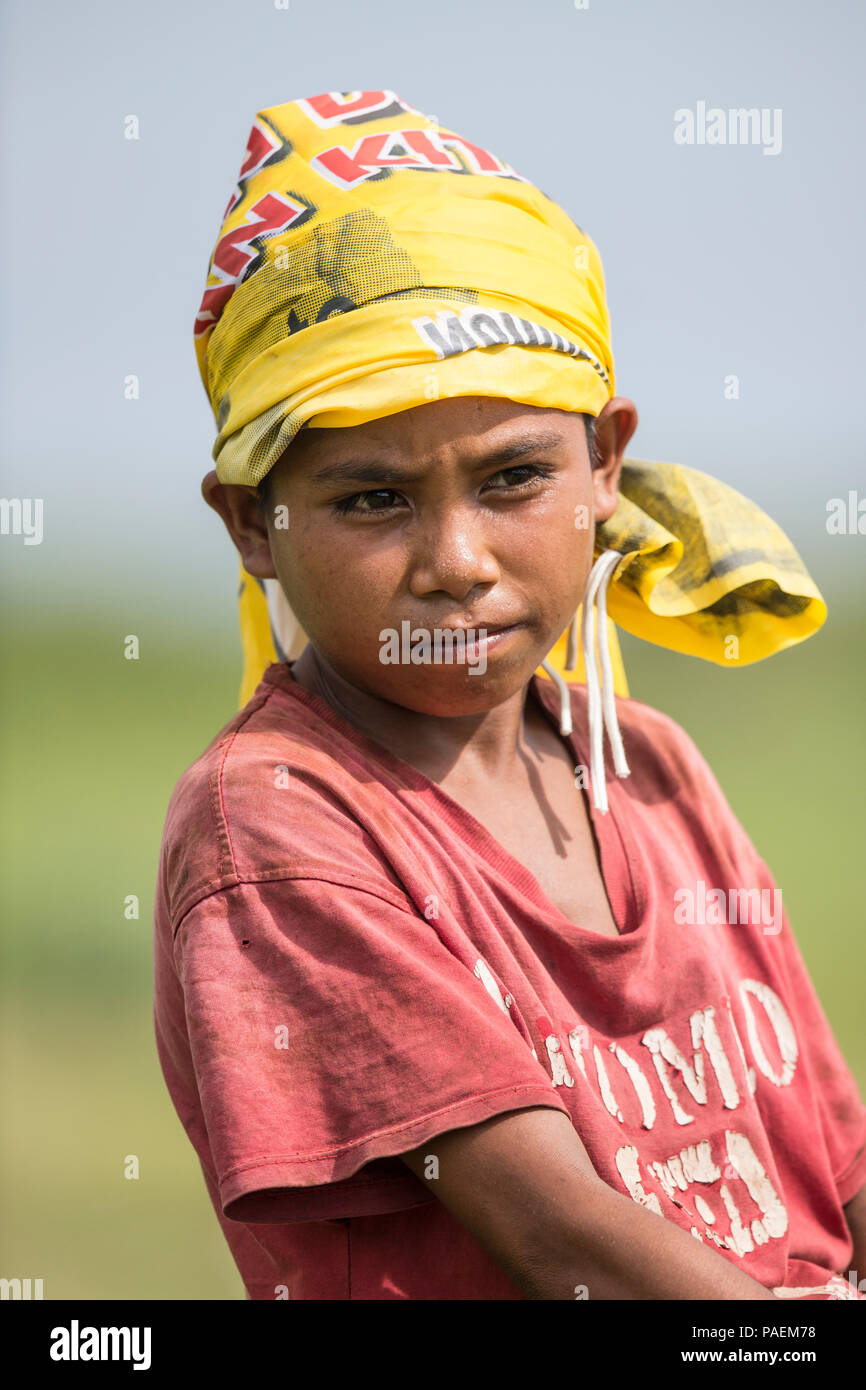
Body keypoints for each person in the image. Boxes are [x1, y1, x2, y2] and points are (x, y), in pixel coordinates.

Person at [153, 89, 866, 1300]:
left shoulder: (651, 767)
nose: (456, 562)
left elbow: (833, 1172)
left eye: (513, 478)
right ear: (252, 525)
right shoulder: (278, 829)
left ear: (603, 466)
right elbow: (560, 1243)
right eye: (371, 499)